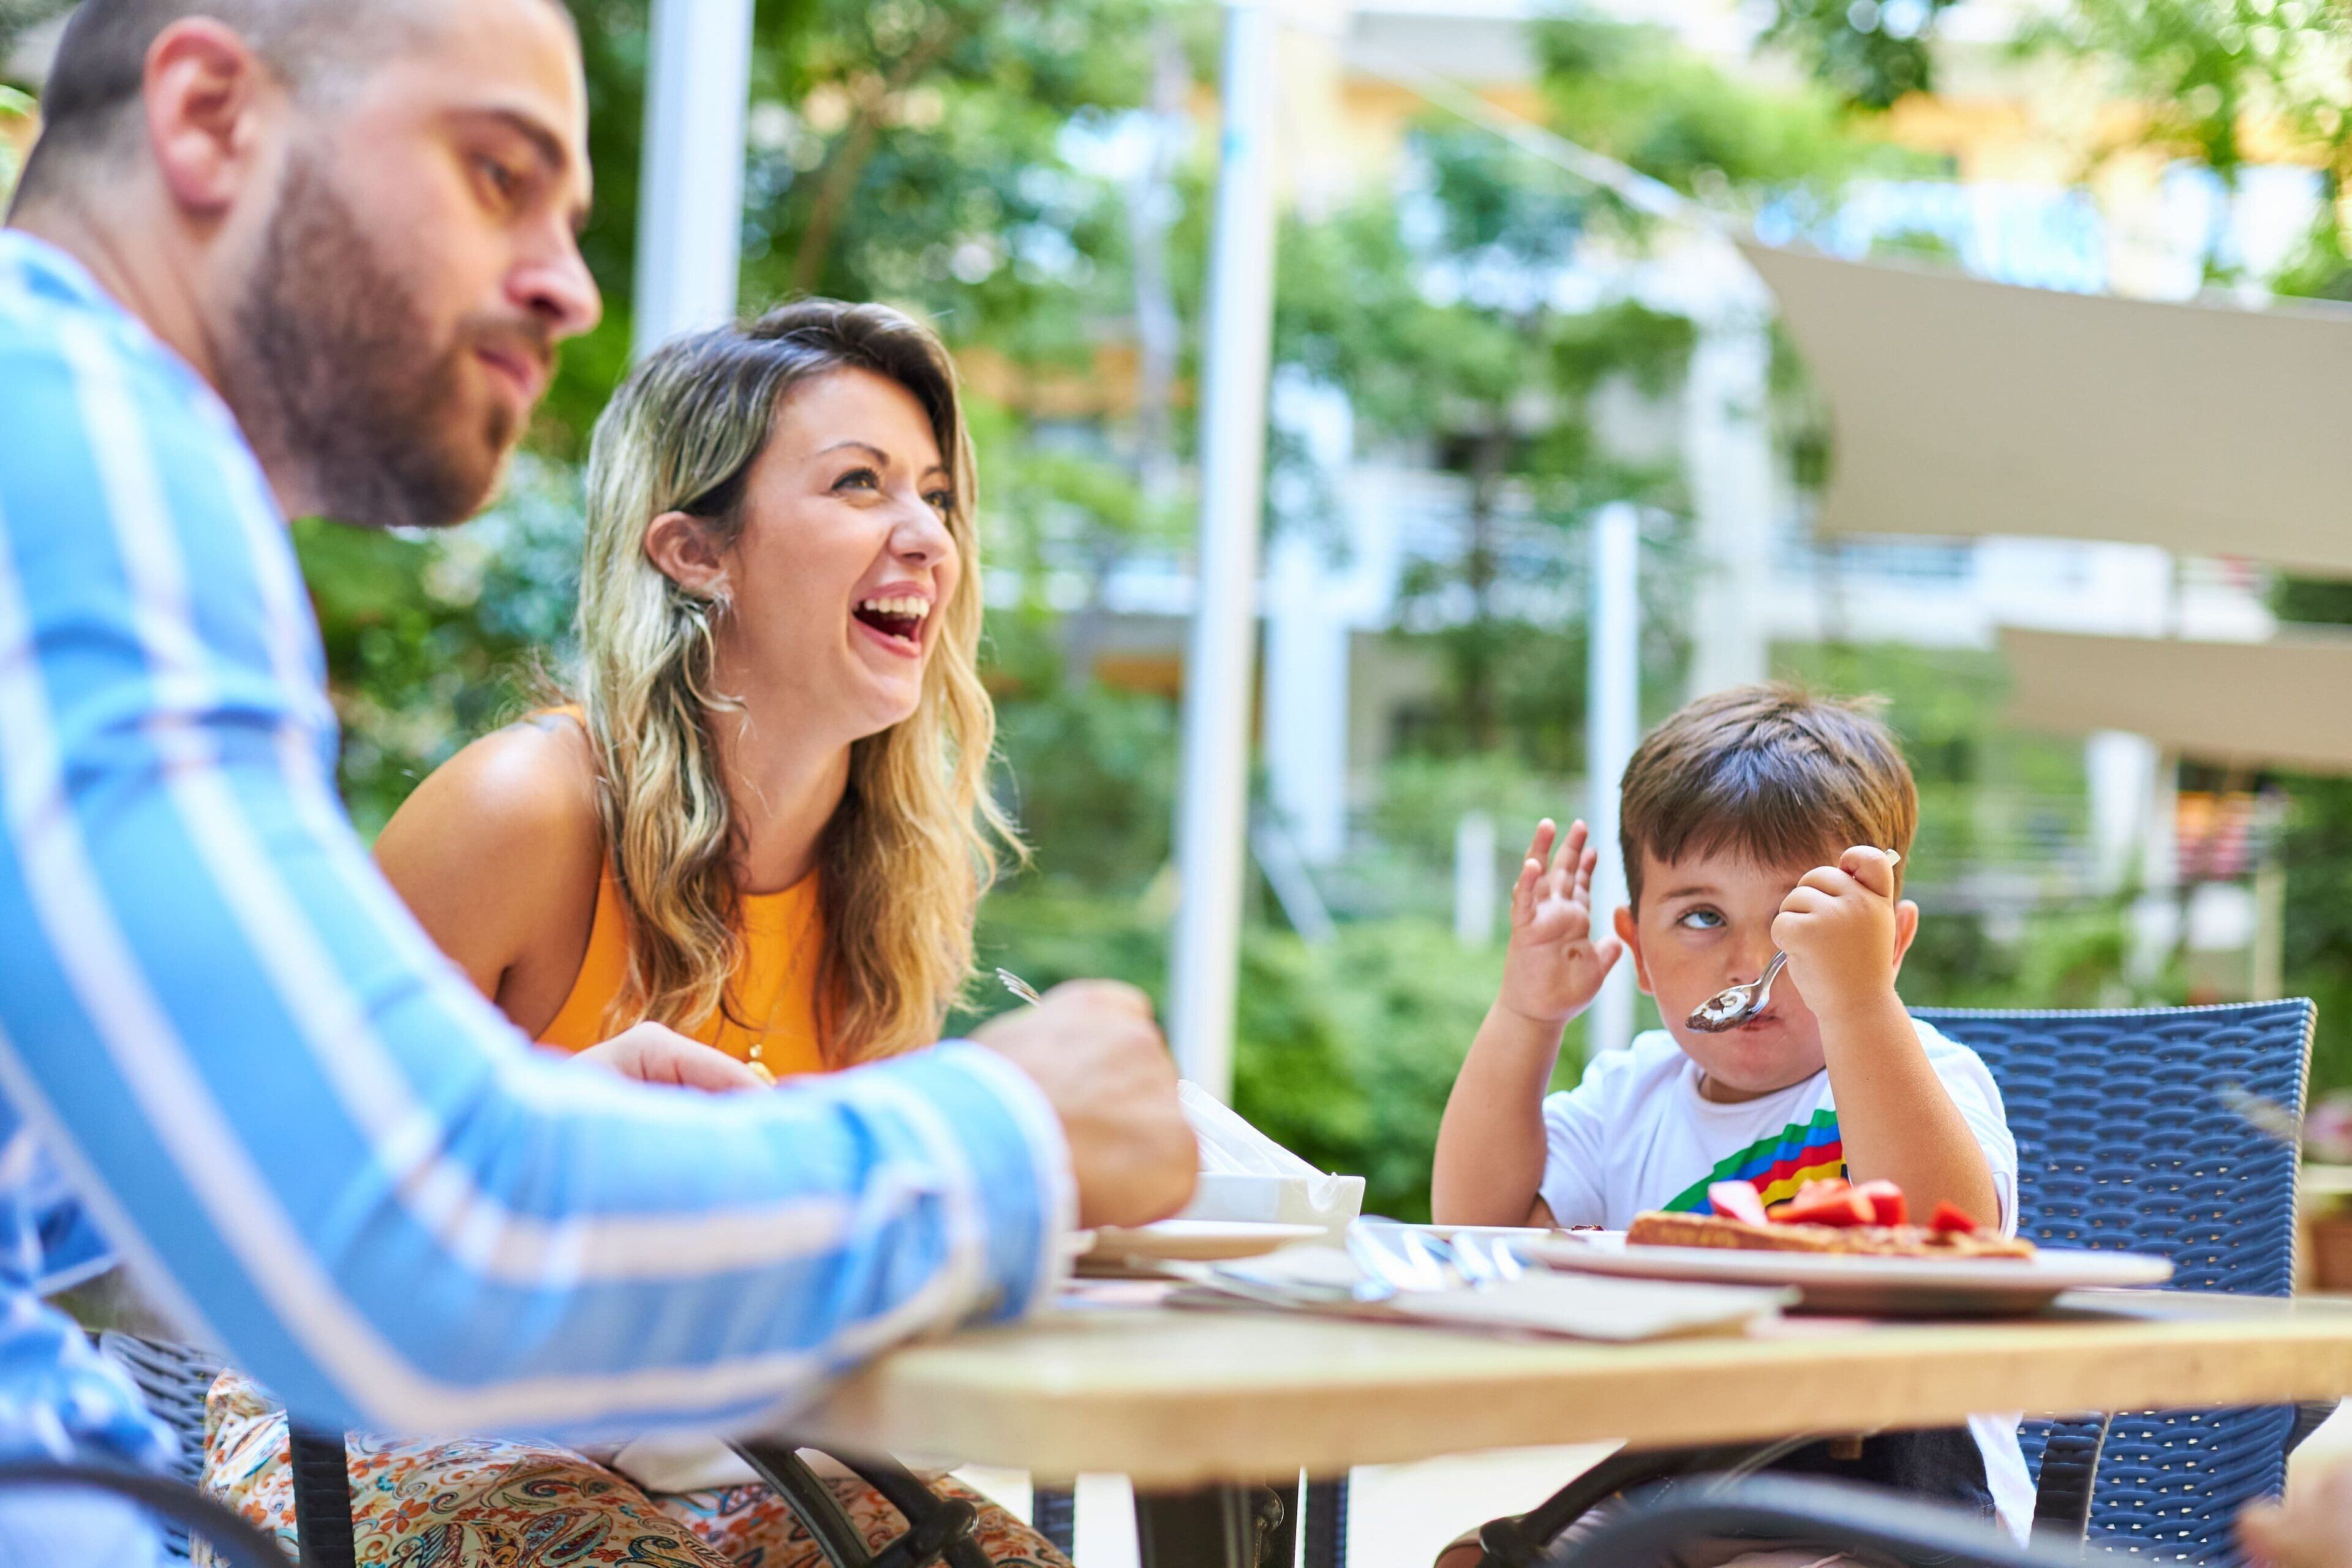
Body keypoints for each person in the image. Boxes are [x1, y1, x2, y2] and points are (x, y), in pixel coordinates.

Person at [0, 3, 1194, 1565]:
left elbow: (158, 1190)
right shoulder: (76, 444)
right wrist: (1008, 1126)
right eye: (499, 172)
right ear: (212, 115)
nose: (571, 284)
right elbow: (407, 1250)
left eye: (938, 497)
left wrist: (541, 1110)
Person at [202, 300, 1074, 1566]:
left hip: (726, 1437)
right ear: (693, 550)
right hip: (375, 1427)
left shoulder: (889, 884)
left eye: (936, 496)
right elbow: (280, 1190)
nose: (926, 537)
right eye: (859, 484)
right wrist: (544, 1135)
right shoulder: (524, 811)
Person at [1429, 684, 2029, 1562]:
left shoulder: (1923, 1073)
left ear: (1886, 944)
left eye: (1803, 920)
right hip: (1676, 1499)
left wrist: (1859, 1004)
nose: (1752, 962)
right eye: (1702, 917)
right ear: (1636, 948)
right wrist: (1526, 1019)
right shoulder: (1630, 1094)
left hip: (1895, 1511)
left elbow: (1954, 1239)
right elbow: (1478, 1227)